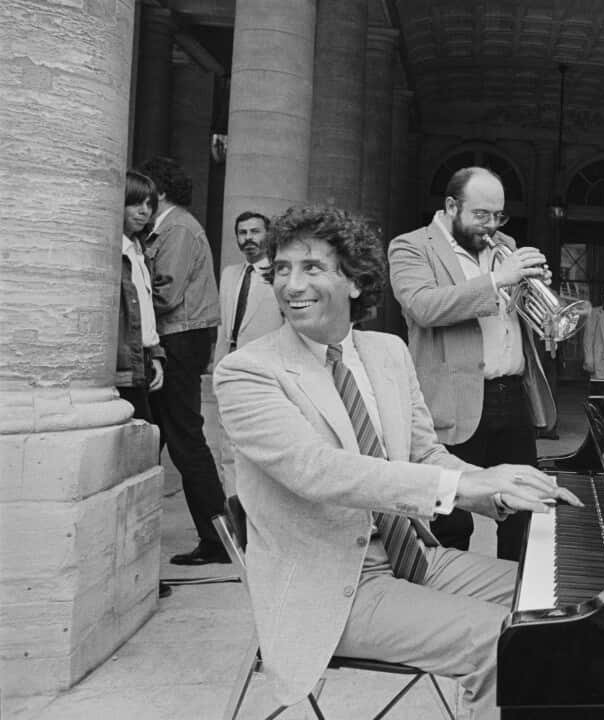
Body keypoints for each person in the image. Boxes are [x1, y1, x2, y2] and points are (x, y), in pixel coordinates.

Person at [213, 204, 579, 720]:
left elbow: (425, 452)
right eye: (282, 271)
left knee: (563, 607)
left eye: (312, 268)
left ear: (355, 282)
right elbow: (318, 470)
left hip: (415, 557)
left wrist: (498, 484)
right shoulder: (246, 372)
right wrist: (462, 489)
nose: (291, 285)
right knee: (507, 642)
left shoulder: (387, 352)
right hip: (331, 588)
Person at [388, 166, 557, 561]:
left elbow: (516, 314)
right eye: (481, 215)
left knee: (522, 506)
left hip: (511, 394)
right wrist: (498, 280)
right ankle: (456, 603)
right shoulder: (412, 246)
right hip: (453, 398)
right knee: (452, 517)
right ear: (451, 206)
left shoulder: (505, 244)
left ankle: (518, 604)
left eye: (499, 215)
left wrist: (536, 289)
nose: (492, 225)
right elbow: (423, 306)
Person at [138, 156, 227, 566]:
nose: (140, 202)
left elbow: (166, 294)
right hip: (181, 337)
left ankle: (218, 538)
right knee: (163, 435)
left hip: (179, 338)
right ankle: (216, 537)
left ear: (162, 191)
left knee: (185, 439)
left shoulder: (175, 228)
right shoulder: (174, 226)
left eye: (146, 192)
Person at [116, 170, 171, 600]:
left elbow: (146, 317)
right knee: (134, 470)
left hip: (141, 365)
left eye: (150, 204)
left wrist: (156, 357)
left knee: (147, 465)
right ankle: (131, 573)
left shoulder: (137, 249)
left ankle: (139, 571)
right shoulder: (113, 252)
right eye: (136, 202)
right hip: (122, 372)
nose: (144, 211)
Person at [214, 211, 282, 364]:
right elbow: (222, 328)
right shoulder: (228, 274)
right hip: (227, 362)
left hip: (264, 364)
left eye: (255, 232)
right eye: (242, 233)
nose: (248, 238)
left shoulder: (280, 275)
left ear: (269, 236)